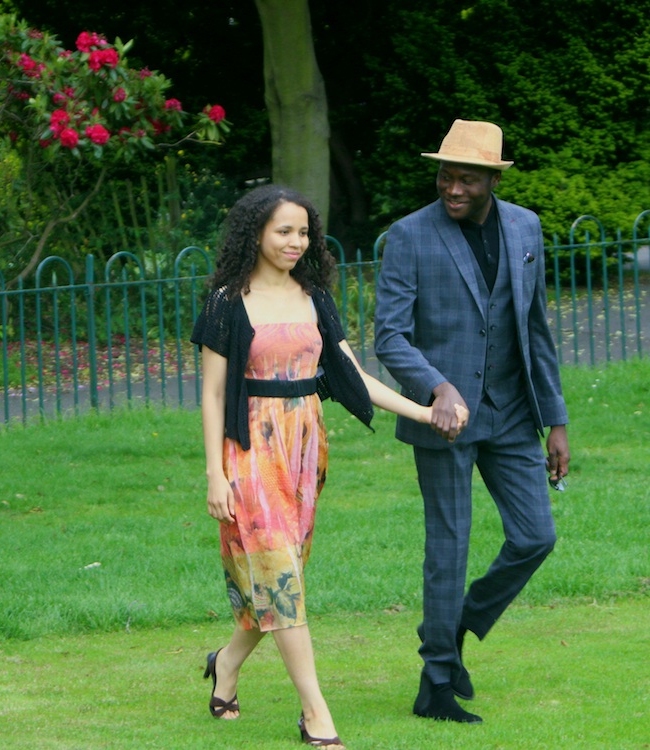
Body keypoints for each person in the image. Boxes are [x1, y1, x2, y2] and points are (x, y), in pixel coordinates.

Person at [191, 184, 466, 748]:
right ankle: (316, 714)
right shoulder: (226, 300)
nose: (296, 242)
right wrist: (215, 474)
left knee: (281, 579)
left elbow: (350, 373)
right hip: (250, 449)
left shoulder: (314, 296)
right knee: (281, 579)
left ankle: (226, 663)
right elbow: (214, 394)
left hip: (304, 449)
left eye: (303, 232)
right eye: (283, 231)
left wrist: (423, 411)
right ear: (255, 234)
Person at [374, 119, 571, 724]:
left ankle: (455, 624)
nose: (452, 188)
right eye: (445, 176)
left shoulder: (525, 227)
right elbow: (390, 336)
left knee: (536, 536)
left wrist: (556, 420)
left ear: (492, 180)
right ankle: (435, 682)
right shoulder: (409, 235)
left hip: (513, 414)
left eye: (466, 179)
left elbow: (534, 328)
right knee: (449, 546)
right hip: (444, 421)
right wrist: (438, 387)